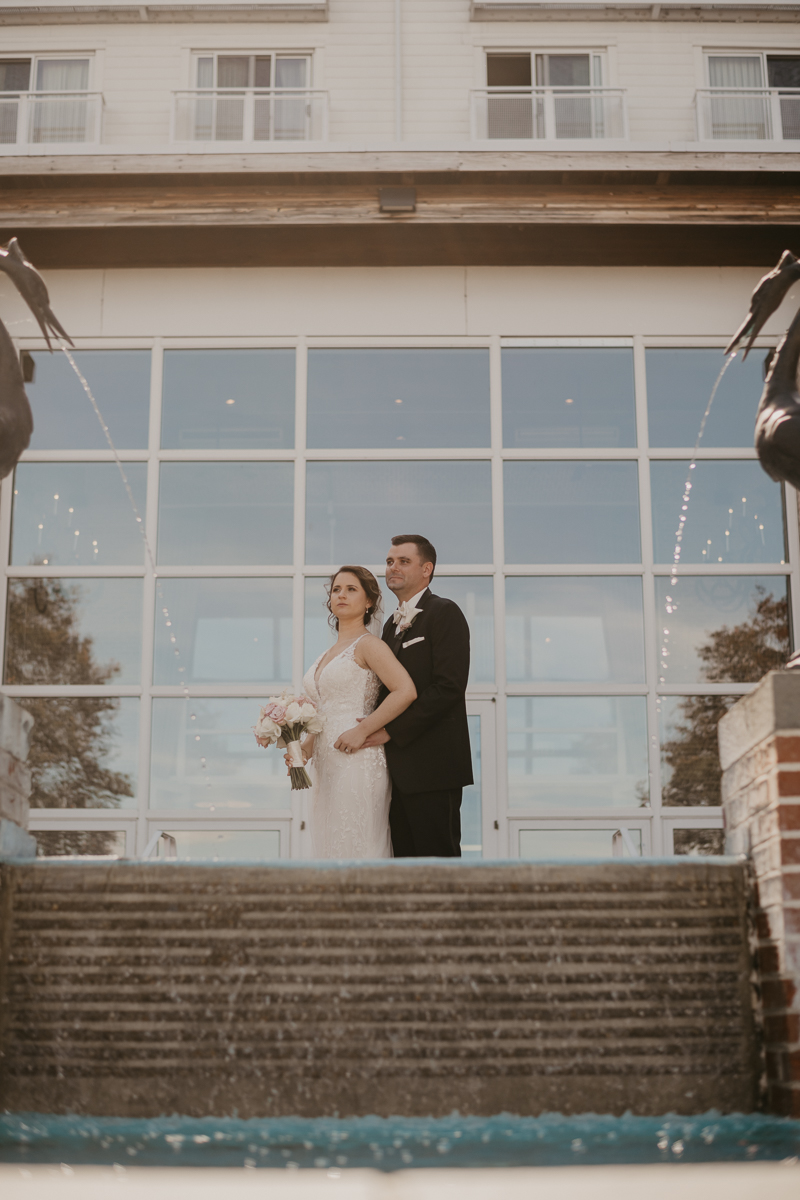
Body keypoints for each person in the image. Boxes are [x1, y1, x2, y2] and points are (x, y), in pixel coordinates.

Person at [360, 535, 473, 857]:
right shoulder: (389, 627)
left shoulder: (444, 612)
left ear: (427, 569)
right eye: (389, 561)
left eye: (403, 561)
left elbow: (449, 687)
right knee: (403, 867)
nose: (393, 567)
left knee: (437, 864)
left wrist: (390, 731)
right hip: (397, 772)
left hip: (434, 768)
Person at [295, 565, 416, 858]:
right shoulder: (324, 655)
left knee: (355, 839)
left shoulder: (369, 645)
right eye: (337, 589)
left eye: (351, 590)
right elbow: (322, 713)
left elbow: (405, 691)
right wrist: (304, 749)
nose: (341, 595)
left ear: (369, 601)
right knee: (329, 839)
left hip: (358, 757)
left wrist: (363, 730)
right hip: (326, 762)